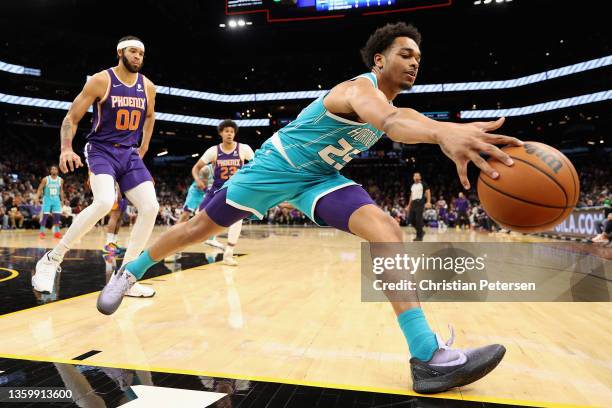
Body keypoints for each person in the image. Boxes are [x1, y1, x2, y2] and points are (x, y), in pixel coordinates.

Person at [99, 23, 521, 393]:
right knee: (197, 230)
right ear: (379, 60)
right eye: (405, 54)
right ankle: (130, 271)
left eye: (419, 57)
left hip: (320, 180)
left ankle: (426, 357)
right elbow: (392, 125)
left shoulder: (400, 105)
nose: (414, 63)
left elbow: (413, 122)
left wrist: (448, 130)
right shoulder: (359, 89)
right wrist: (444, 135)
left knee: (387, 231)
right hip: (275, 167)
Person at [32, 36, 159, 299]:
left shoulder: (148, 87)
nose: (138, 57)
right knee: (104, 201)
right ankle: (51, 260)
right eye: (133, 52)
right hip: (101, 149)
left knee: (151, 207)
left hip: (129, 154)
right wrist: (66, 148)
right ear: (120, 53)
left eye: (141, 54)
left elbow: (149, 116)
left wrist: (144, 147)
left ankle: (125, 278)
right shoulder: (101, 80)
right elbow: (72, 117)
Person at [192, 120, 255, 265]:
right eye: (226, 131)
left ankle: (228, 253)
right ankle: (205, 239)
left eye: (232, 131)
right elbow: (196, 167)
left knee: (237, 219)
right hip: (217, 188)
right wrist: (197, 179)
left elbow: (257, 165)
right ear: (221, 133)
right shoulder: (213, 151)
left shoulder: (243, 149)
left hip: (236, 189)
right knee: (197, 218)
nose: (229, 134)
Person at [34, 165, 64, 239]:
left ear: (57, 171)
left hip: (56, 199)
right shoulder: (46, 179)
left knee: (57, 216)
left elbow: (61, 191)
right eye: (52, 169)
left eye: (55, 169)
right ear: (50, 171)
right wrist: (37, 198)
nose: (54, 170)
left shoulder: (60, 180)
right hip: (47, 199)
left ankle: (57, 232)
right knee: (45, 216)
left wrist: (62, 200)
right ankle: (42, 232)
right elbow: (40, 189)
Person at [407, 172, 430, 241]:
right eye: (415, 176)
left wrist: (428, 202)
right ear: (413, 178)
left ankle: (419, 237)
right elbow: (411, 196)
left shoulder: (423, 184)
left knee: (418, 220)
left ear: (420, 177)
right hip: (413, 203)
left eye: (417, 176)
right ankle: (421, 231)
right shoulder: (412, 186)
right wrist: (409, 205)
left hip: (420, 202)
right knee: (411, 219)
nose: (416, 177)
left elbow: (428, 192)